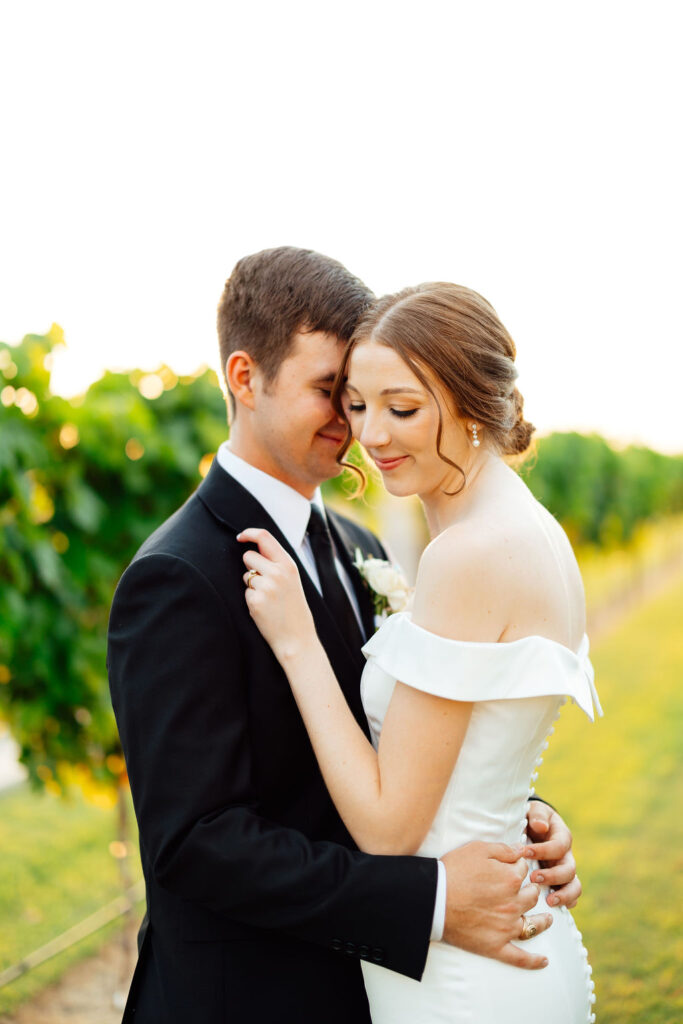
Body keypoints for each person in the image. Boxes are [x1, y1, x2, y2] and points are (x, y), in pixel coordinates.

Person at [108, 251, 580, 1024]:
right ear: (244, 376)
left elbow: (402, 739)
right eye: (332, 392)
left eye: (363, 397)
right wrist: (431, 899)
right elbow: (197, 842)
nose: (353, 424)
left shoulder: (360, 544)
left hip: (374, 989)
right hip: (251, 1001)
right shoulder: (177, 576)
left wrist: (513, 819)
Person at [236, 280, 602, 1024]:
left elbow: (387, 826)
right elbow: (482, 745)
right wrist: (528, 816)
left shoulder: (466, 555)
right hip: (509, 936)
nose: (370, 435)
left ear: (470, 405)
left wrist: (298, 642)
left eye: (402, 408)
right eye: (357, 404)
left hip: (464, 974)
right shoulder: (529, 530)